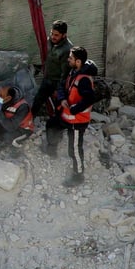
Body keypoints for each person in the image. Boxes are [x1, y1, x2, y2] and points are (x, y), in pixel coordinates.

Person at [45, 46, 97, 186]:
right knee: (52, 124)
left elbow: (90, 99)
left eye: (71, 58)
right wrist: (62, 99)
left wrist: (74, 109)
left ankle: (78, 176)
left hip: (77, 121)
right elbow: (63, 86)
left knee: (74, 149)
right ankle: (51, 149)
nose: (68, 59)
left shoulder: (84, 79)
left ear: (78, 61)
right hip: (66, 116)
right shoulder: (73, 71)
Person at [32, 20, 73, 117]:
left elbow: (65, 73)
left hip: (57, 82)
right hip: (47, 79)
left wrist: (58, 89)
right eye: (52, 34)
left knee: (59, 108)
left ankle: (58, 128)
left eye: (56, 35)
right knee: (37, 101)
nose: (53, 37)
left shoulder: (67, 50)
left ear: (64, 35)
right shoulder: (50, 41)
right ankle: (28, 124)